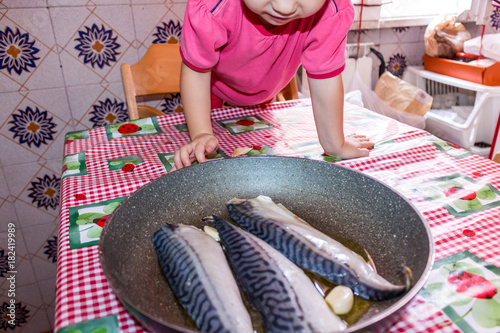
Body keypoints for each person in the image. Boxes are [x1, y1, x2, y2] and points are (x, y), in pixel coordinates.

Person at [173, 0, 374, 170]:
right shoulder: (213, 5)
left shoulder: (331, 11)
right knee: (208, 155)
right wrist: (201, 133)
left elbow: (325, 78)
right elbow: (197, 71)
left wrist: (334, 143)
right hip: (211, 90)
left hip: (268, 95)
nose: (284, 8)